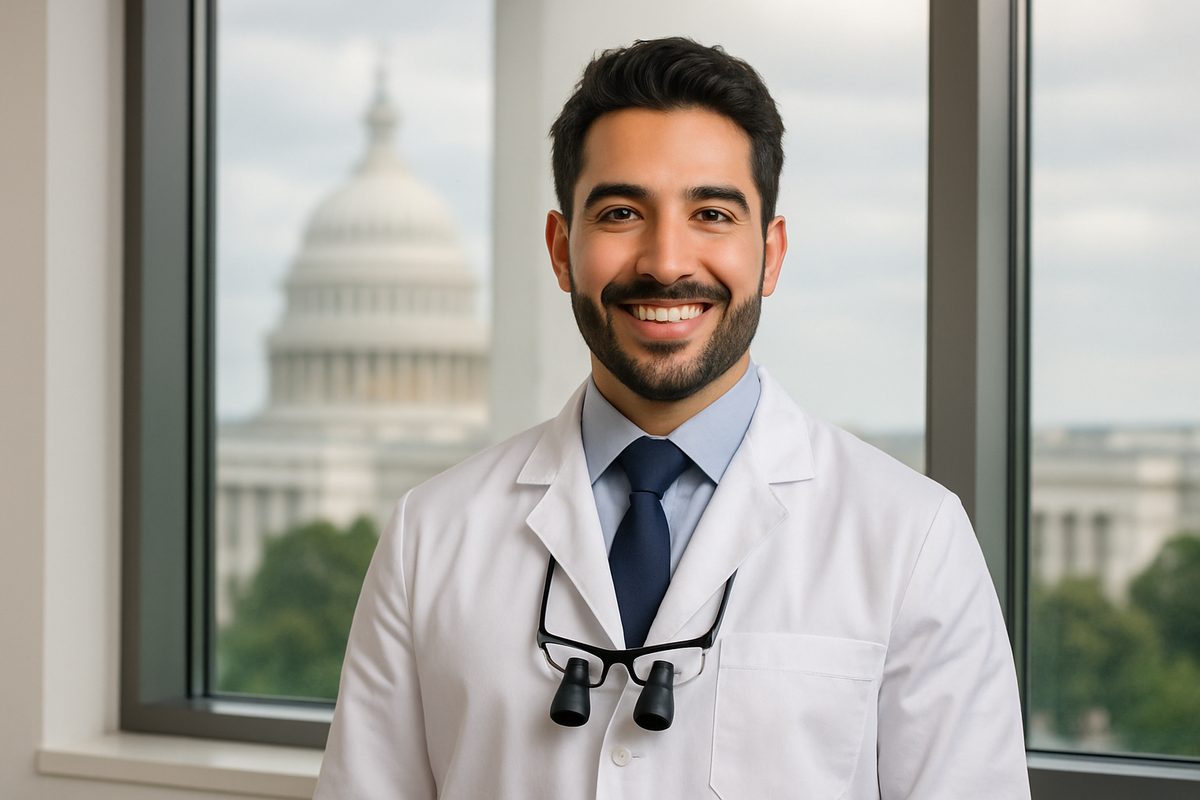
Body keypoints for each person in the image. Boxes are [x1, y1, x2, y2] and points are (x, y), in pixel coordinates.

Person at [315, 37, 1030, 799]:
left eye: (712, 213)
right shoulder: (430, 535)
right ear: (562, 250)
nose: (665, 260)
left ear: (771, 253)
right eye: (622, 212)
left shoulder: (913, 539)